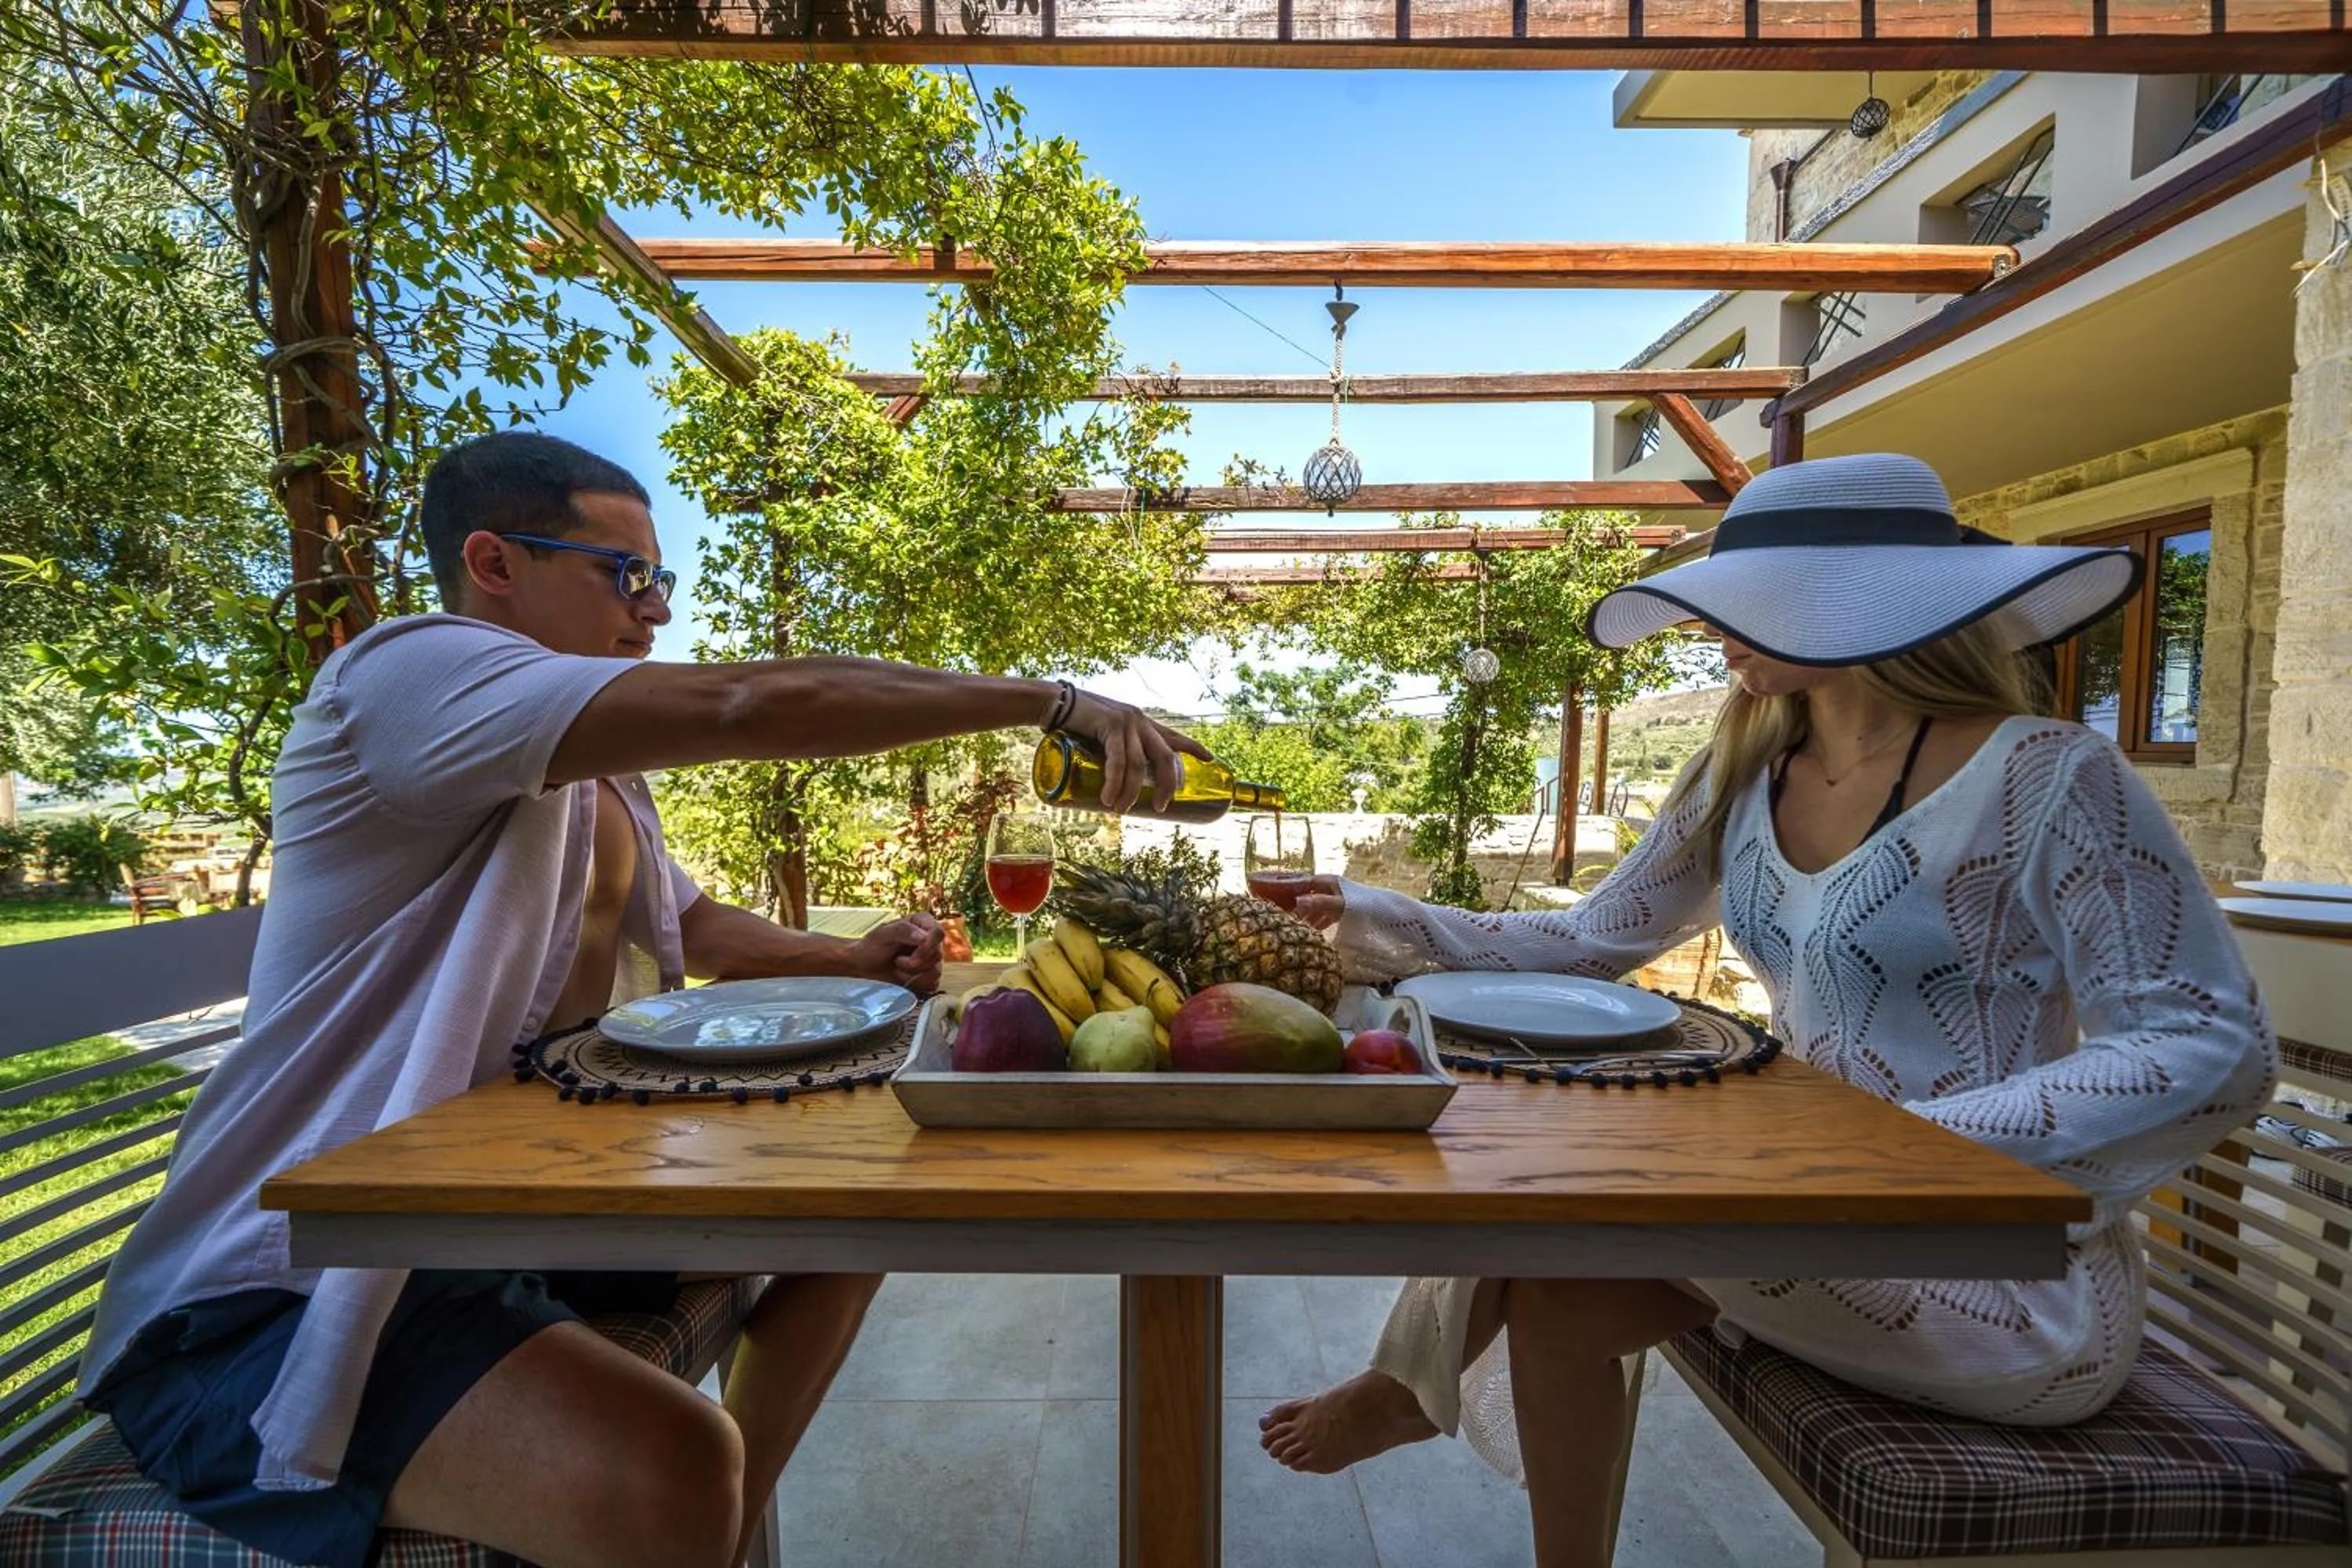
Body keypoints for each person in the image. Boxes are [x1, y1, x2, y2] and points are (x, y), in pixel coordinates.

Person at [77, 431, 1206, 1568]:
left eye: (659, 578)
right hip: (280, 1287)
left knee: (866, 1213)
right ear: (493, 561)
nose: (656, 609)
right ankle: (684, 1521)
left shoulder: (581, 767)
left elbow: (689, 927)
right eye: (627, 574)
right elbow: (747, 709)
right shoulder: (409, 674)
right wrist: (1048, 702)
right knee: (670, 1462)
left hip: (488, 1223)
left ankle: (693, 1543)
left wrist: (852, 963)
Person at [1256, 453, 2276, 1568]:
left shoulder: (2049, 777)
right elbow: (1593, 939)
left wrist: (1895, 1152)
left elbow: (2207, 1044)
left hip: (2001, 1276)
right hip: (1799, 1210)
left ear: (1857, 608)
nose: (1715, 628)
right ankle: (1430, 1411)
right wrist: (1360, 913)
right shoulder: (1742, 772)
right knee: (1556, 1275)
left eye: (1749, 600)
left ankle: (1406, 1387)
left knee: (1579, 1202)